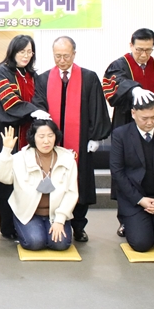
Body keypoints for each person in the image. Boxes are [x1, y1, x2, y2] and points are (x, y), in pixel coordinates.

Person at [103, 28, 154, 236]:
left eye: (148, 50)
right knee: (128, 173)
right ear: (131, 45)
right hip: (128, 130)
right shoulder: (119, 65)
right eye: (139, 49)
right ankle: (126, 220)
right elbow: (110, 88)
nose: (143, 54)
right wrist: (133, 89)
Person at [32, 36, 111, 242]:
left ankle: (78, 226)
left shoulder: (88, 78)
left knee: (79, 183)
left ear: (74, 54)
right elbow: (39, 106)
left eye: (66, 56)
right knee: (54, 181)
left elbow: (96, 108)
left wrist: (96, 137)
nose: (62, 60)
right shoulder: (43, 79)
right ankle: (54, 220)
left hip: (81, 143)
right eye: (57, 56)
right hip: (52, 144)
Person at [0, 34, 50, 240]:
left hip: (30, 134)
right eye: (22, 51)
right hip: (10, 133)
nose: (26, 55)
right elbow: (9, 102)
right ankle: (8, 228)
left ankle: (28, 223)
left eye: (29, 52)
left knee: (29, 180)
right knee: (9, 179)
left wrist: (37, 110)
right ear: (13, 52)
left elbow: (41, 99)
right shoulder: (2, 72)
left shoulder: (32, 75)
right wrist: (33, 111)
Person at [0, 120, 79, 251]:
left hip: (55, 214)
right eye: (41, 136)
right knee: (35, 242)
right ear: (33, 138)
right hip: (29, 214)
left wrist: (60, 220)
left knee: (60, 244)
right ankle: (33, 230)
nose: (46, 141)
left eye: (50, 136)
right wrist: (6, 151)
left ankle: (49, 230)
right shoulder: (21, 157)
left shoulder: (67, 158)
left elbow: (71, 192)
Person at [109, 97, 154, 252]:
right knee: (141, 244)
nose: (150, 122)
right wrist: (140, 200)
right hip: (135, 199)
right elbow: (117, 172)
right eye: (144, 118)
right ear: (133, 113)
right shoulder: (120, 134)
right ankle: (131, 223)